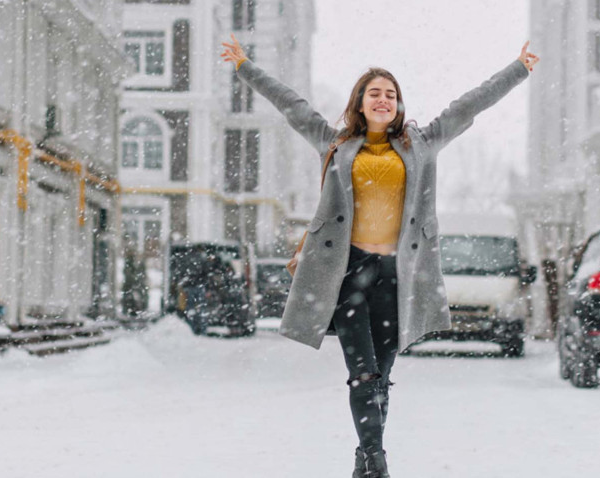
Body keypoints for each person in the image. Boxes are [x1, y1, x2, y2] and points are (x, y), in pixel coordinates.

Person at [221, 34, 539, 477]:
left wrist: (518, 69)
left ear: (399, 105)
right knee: (363, 373)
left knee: (382, 375)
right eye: (375, 93)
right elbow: (292, 105)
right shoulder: (335, 142)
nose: (384, 99)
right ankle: (376, 460)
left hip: (397, 276)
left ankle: (364, 458)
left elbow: (469, 105)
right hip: (348, 273)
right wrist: (245, 66)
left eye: (391, 94)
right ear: (361, 103)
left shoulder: (421, 143)